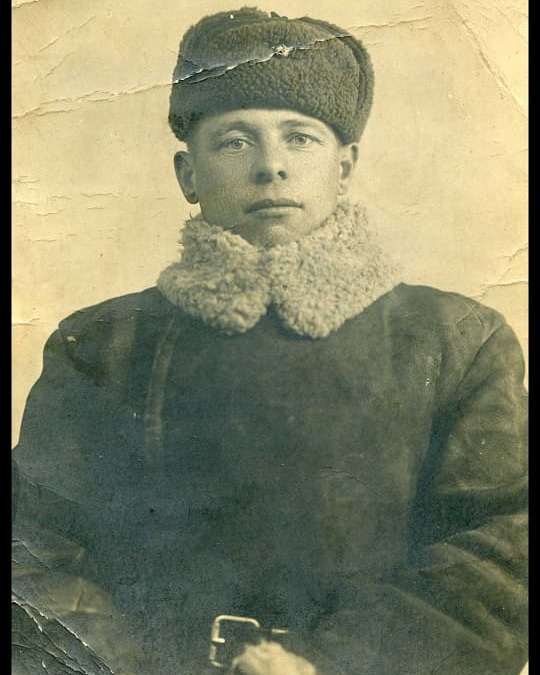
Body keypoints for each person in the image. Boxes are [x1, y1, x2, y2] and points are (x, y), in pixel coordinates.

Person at [12, 7, 528, 675]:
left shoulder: (456, 341)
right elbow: (32, 553)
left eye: (300, 138)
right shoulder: (99, 347)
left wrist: (333, 664)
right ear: (187, 174)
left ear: (345, 166)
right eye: (234, 142)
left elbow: (504, 551)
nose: (271, 167)